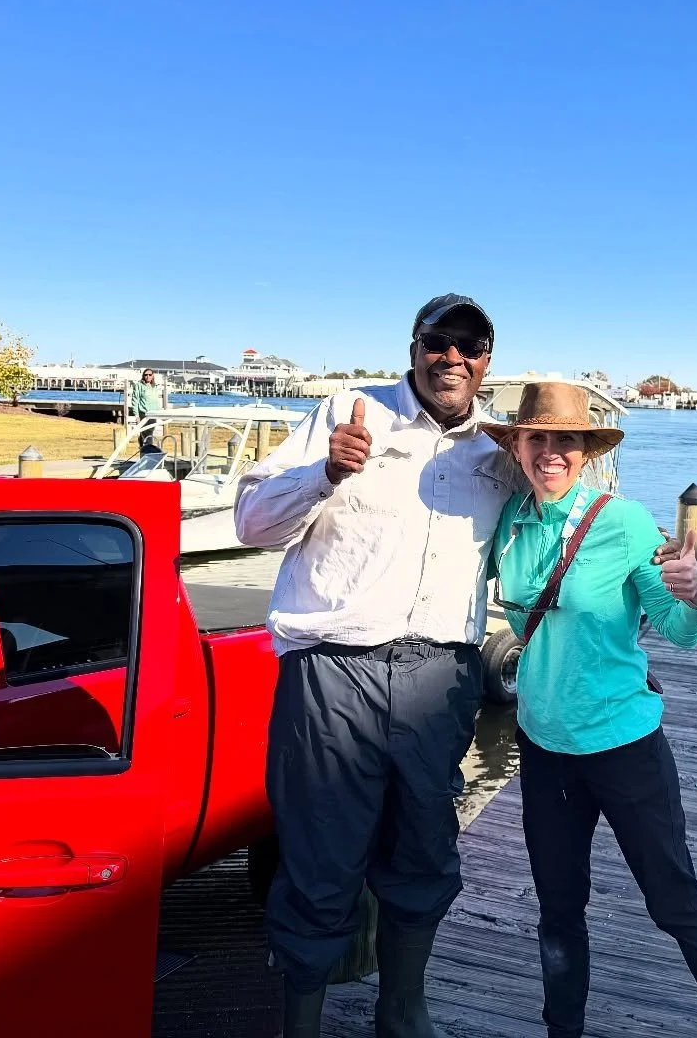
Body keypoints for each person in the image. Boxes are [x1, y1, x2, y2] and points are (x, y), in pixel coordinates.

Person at [232, 294, 517, 1037]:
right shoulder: (347, 411)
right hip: (332, 671)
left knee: (424, 850)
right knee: (320, 856)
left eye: (470, 344)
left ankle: (403, 1010)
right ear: (415, 345)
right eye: (438, 340)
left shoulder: (498, 451)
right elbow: (251, 523)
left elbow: (551, 541)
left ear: (488, 359)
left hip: (442, 676)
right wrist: (324, 474)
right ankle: (302, 1026)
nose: (452, 356)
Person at [484, 382, 697, 1038]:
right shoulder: (512, 522)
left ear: (585, 450)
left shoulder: (624, 522)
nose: (551, 451)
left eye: (566, 440)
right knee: (558, 909)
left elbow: (679, 628)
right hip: (545, 749)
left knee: (675, 902)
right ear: (518, 445)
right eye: (538, 437)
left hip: (624, 748)